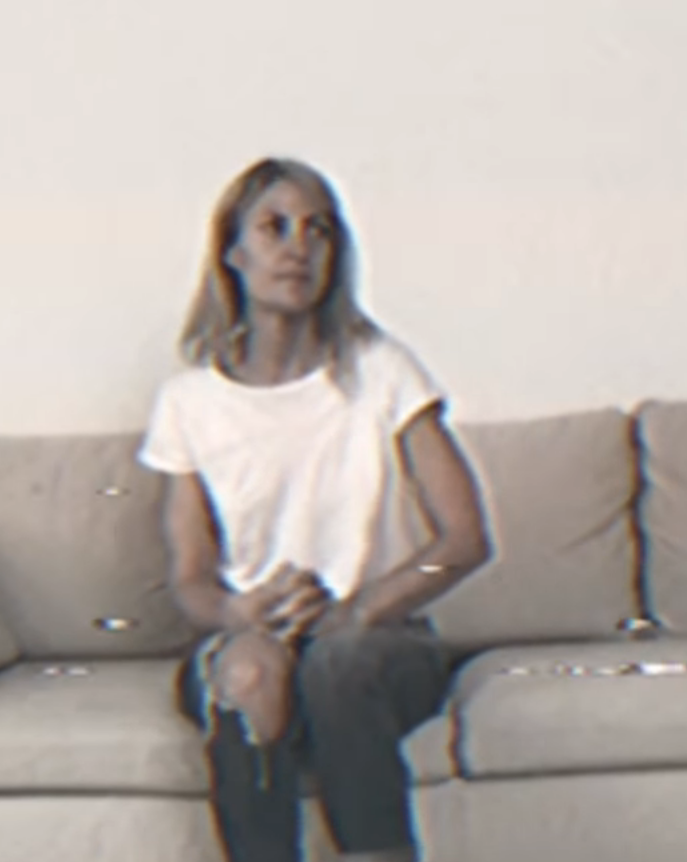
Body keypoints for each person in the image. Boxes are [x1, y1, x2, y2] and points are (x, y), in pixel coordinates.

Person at [137, 157, 493, 862]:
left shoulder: (383, 370)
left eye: (318, 230)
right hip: (257, 638)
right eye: (274, 228)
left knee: (336, 666)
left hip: (380, 643)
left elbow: (464, 539)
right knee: (251, 676)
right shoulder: (189, 403)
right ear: (233, 253)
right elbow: (191, 580)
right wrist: (241, 611)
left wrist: (356, 609)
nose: (298, 247)